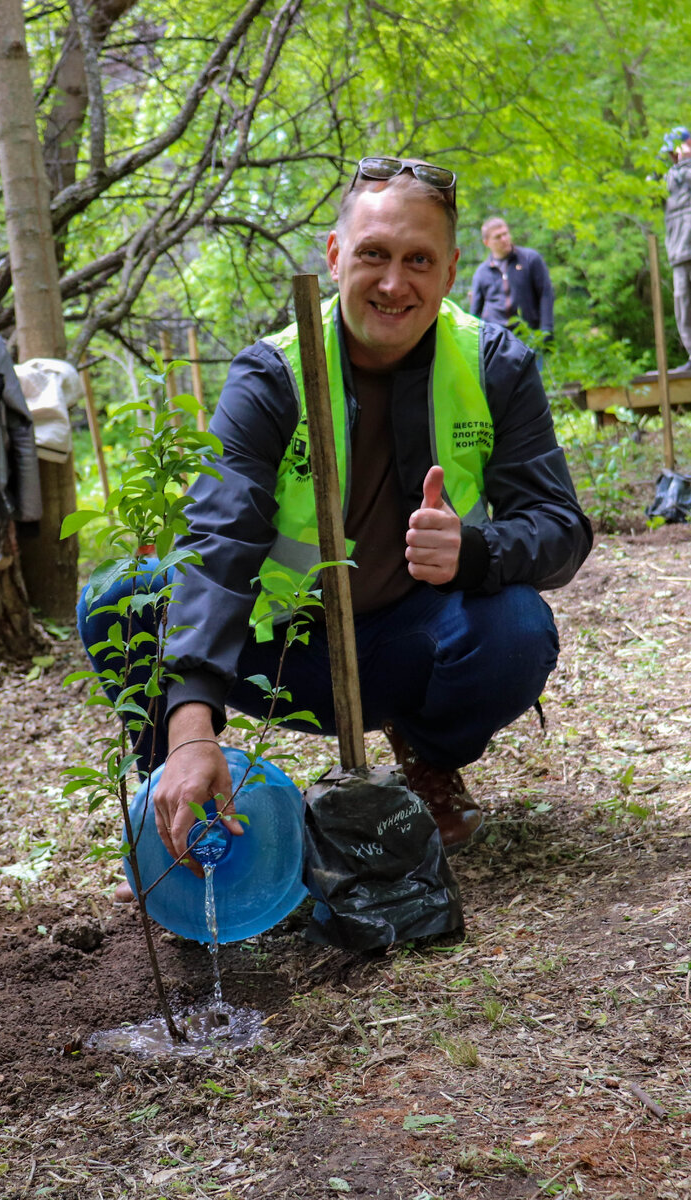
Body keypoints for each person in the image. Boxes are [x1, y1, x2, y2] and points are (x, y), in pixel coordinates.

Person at [78, 155, 592, 888]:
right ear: (332, 255)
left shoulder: (494, 364)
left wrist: (474, 551)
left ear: (450, 272)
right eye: (373, 255)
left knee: (514, 625)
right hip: (274, 646)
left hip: (409, 645)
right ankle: (178, 787)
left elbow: (561, 529)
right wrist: (190, 722)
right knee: (120, 600)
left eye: (418, 260)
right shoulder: (271, 374)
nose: (393, 282)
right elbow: (217, 538)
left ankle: (428, 762)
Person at [469, 218, 554, 348]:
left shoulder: (530, 259)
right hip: (496, 340)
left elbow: (545, 293)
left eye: (505, 234)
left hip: (529, 335)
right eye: (498, 237)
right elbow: (475, 311)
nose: (504, 239)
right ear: (486, 242)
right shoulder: (482, 272)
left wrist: (546, 329)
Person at [661, 126, 691, 373]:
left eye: (675, 150)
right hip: (678, 253)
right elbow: (649, 197)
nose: (673, 156)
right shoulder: (668, 177)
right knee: (683, 305)